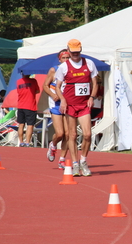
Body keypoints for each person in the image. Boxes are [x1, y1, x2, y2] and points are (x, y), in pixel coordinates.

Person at [54, 39, 98, 176]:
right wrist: (62, 100)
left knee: (87, 134)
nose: (75, 55)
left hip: (84, 104)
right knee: (72, 135)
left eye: (77, 52)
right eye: (73, 53)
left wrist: (91, 97)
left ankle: (83, 161)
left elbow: (95, 83)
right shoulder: (64, 67)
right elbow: (57, 87)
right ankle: (74, 163)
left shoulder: (89, 63)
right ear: (68, 50)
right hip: (70, 104)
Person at [44, 49, 70, 170]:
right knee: (60, 133)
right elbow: (45, 85)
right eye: (64, 58)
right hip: (56, 104)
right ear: (59, 59)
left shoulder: (72, 71)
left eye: (68, 58)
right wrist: (52, 94)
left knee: (68, 134)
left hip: (69, 104)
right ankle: (53, 145)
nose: (66, 60)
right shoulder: (54, 70)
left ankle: (62, 160)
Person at [16, 73, 40, 147]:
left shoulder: (18, 81)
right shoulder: (33, 81)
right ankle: (27, 142)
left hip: (20, 105)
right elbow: (37, 91)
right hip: (30, 106)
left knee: (21, 124)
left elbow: (18, 91)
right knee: (30, 125)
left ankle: (21, 142)